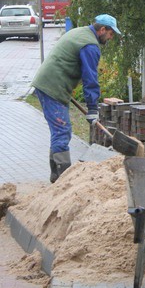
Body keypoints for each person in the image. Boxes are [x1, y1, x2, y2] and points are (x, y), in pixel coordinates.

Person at [32, 14, 121, 183]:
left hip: (51, 83)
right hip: (52, 87)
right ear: (102, 29)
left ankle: (56, 176)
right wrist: (93, 109)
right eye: (111, 34)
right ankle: (64, 179)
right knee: (62, 131)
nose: (111, 38)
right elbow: (90, 78)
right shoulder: (90, 45)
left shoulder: (80, 32)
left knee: (60, 131)